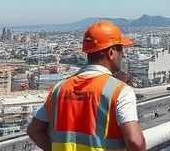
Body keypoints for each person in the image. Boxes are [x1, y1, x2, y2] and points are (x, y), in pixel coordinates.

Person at [27, 20, 146, 151]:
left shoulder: (59, 89)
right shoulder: (119, 91)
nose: (123, 55)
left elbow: (34, 130)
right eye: (121, 50)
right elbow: (136, 143)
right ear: (111, 53)